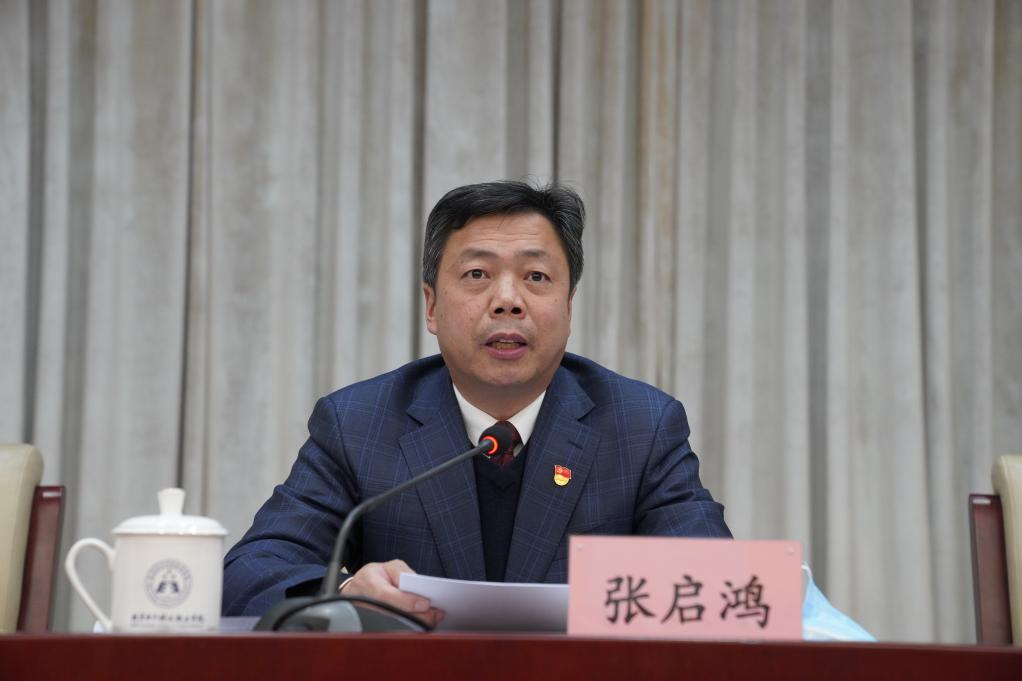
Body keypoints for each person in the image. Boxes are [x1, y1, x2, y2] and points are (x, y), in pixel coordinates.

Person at [222, 180, 731, 625]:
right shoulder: (358, 425)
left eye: (536, 277)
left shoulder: (641, 426)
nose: (507, 300)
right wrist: (346, 590)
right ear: (431, 306)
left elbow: (714, 585)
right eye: (477, 275)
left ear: (569, 307)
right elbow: (250, 573)